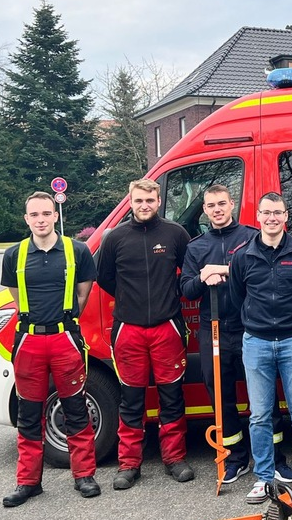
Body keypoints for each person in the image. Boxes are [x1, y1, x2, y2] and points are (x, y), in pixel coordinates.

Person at [179, 185, 292, 485]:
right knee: (220, 394)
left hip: (249, 326)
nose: (217, 209)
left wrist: (225, 269)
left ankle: (274, 458)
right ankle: (235, 456)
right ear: (204, 210)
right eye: (211, 205)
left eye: (222, 203)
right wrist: (203, 277)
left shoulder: (249, 236)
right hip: (213, 328)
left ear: (232, 204)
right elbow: (188, 290)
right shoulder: (195, 247)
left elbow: (258, 271)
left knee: (264, 396)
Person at [0, 192, 101, 507]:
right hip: (29, 340)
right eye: (34, 215)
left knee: (75, 408)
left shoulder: (78, 251)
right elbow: (17, 298)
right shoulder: (13, 255)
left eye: (46, 213)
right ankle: (28, 482)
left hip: (64, 338)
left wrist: (63, 323)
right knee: (29, 414)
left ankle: (84, 475)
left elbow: (83, 296)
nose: (41, 220)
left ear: (55, 215)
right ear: (26, 219)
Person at [95, 178, 193, 490]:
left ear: (158, 200)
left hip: (167, 328)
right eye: (138, 200)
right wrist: (131, 302)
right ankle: (129, 464)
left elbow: (188, 274)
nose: (144, 205)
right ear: (131, 201)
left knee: (172, 397)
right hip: (129, 329)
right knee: (131, 400)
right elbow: (106, 279)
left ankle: (174, 459)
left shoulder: (176, 234)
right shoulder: (115, 238)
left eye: (150, 200)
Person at [229, 192, 292, 503]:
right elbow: (237, 296)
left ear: (286, 216)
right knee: (259, 415)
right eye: (267, 212)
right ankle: (264, 478)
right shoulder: (242, 255)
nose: (272, 218)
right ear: (257, 216)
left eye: (278, 213)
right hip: (255, 342)